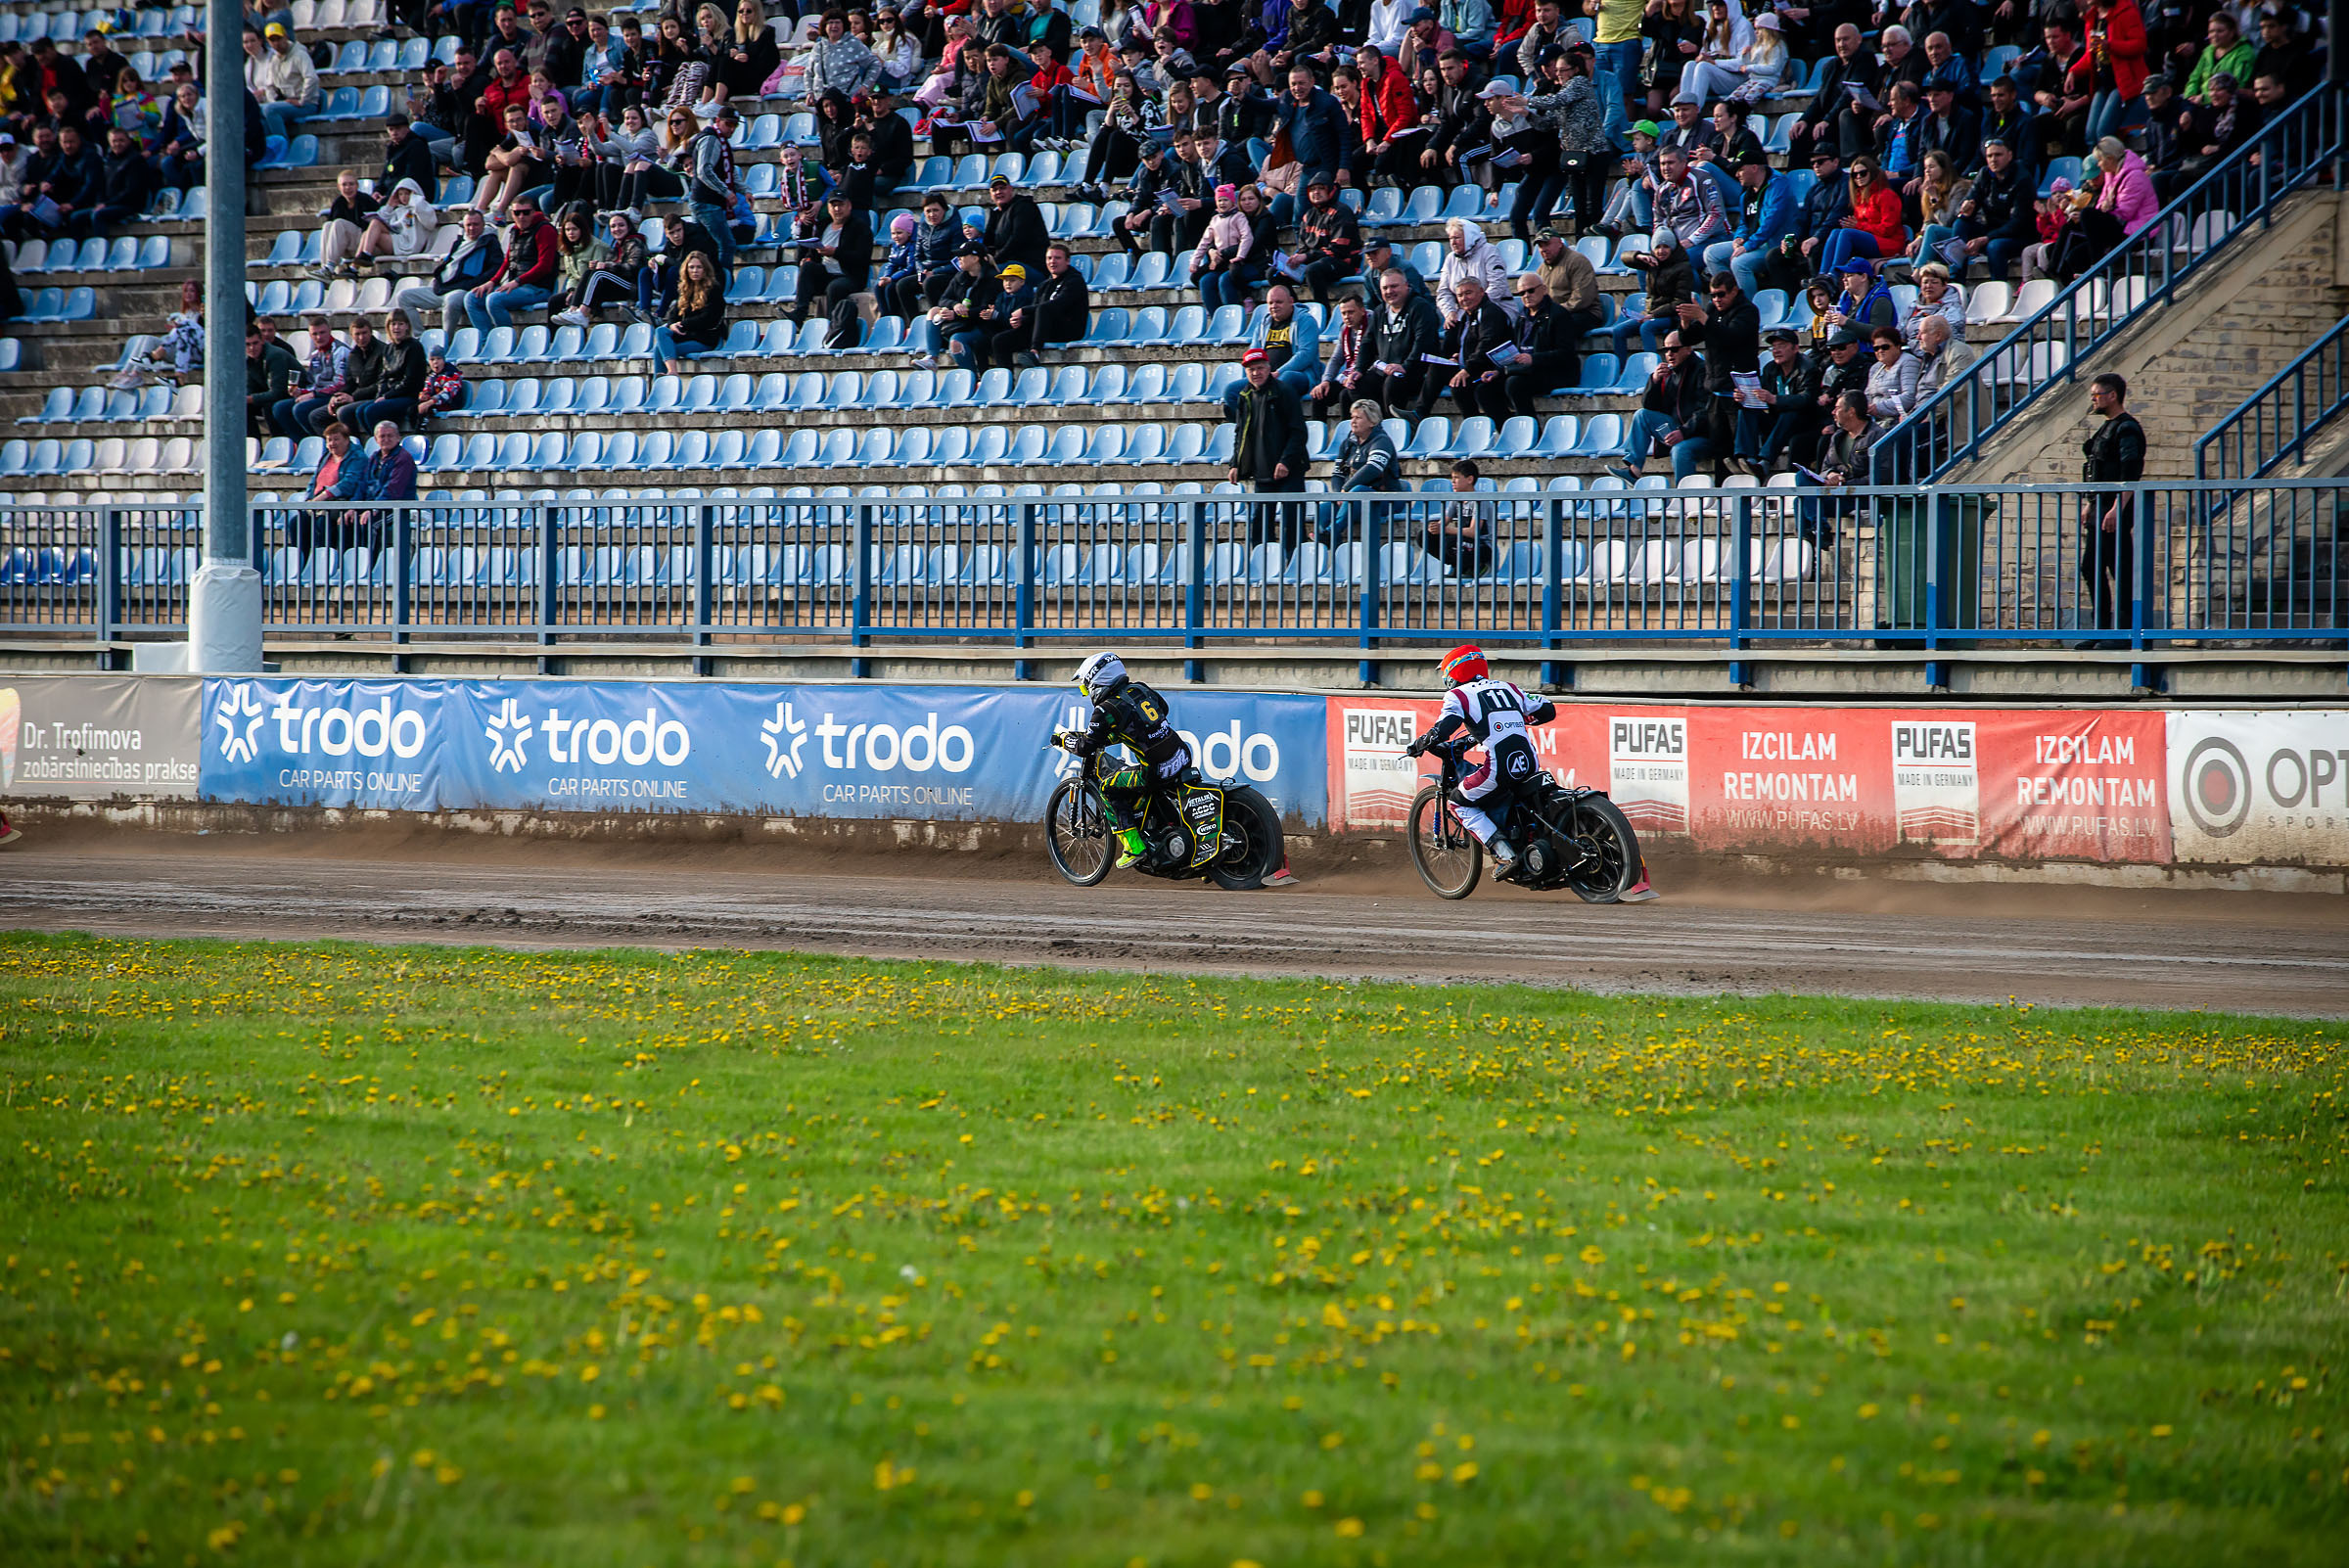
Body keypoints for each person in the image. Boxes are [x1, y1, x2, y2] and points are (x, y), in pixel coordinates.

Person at [1400, 644, 1555, 876]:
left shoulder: (1458, 695)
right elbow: (1548, 710)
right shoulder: (1508, 687)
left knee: (1457, 802)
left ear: (1453, 673)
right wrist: (1516, 719)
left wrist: (1421, 743)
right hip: (1529, 763)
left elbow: (1443, 730)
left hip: (1499, 768)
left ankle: (1504, 854)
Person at [1053, 651, 1194, 871]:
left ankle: (1134, 847)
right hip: (1182, 756)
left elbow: (1085, 747)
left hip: (1155, 771)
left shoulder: (1105, 709)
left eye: (1085, 687)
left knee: (1108, 786)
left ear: (1096, 682)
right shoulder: (1140, 689)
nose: (1086, 692)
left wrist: (1064, 739)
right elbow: (1161, 711)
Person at [2078, 371, 2145, 638]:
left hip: (2114, 510)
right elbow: (2097, 469)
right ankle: (2102, 631)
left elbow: (2130, 471)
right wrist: (2089, 504)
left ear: (2113, 395)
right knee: (2092, 568)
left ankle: (2123, 631)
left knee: (2120, 570)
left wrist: (2117, 507)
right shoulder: (2107, 426)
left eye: (2097, 395)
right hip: (2100, 508)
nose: (2093, 400)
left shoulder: (2126, 427)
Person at [1229, 346, 1310, 543]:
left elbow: (1299, 431)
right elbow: (1240, 432)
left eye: (1260, 368)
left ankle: (1294, 564)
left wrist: (1285, 462)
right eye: (1251, 369)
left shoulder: (1284, 391)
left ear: (1268, 368)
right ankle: (1261, 566)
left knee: (1292, 523)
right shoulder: (1244, 395)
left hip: (1290, 469)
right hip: (1262, 469)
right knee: (1260, 524)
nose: (1256, 373)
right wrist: (1234, 463)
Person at [1614, 328, 1710, 482]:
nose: (1670, 354)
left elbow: (1706, 410)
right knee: (1642, 415)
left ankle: (1684, 498)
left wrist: (1683, 432)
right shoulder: (1670, 373)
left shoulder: (1702, 370)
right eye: (1666, 350)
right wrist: (1655, 381)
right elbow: (1649, 406)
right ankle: (1634, 470)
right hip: (1678, 430)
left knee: (1680, 450)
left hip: (1703, 435)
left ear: (1688, 349)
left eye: (1674, 349)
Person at [398, 208, 502, 333]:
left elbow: (496, 268)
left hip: (462, 290)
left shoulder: (489, 242)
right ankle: (419, 337)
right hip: (442, 289)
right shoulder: (459, 242)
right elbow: (447, 265)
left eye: (476, 224)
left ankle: (445, 342)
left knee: (451, 301)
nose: (471, 228)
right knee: (404, 296)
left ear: (483, 225)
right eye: (468, 225)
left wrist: (472, 284)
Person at [791, 190, 872, 346]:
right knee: (807, 267)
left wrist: (835, 252)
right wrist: (808, 258)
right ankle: (799, 314)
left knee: (835, 288)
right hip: (825, 273)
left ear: (849, 206)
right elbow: (812, 251)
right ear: (828, 208)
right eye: (833, 205)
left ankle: (833, 329)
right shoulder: (823, 225)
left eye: (840, 205)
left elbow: (862, 258)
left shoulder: (860, 227)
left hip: (849, 276)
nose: (837, 209)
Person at [464, 194, 558, 330]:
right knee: (472, 298)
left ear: (533, 212)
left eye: (526, 212)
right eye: (517, 213)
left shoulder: (545, 229)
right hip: (518, 287)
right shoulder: (515, 230)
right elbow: (508, 260)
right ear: (512, 214)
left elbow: (544, 266)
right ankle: (487, 342)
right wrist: (492, 282)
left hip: (538, 289)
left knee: (494, 300)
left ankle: (505, 342)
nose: (521, 216)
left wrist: (517, 282)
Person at [1362, 264, 1442, 419]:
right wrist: (1358, 370)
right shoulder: (1379, 311)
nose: (1389, 291)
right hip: (1387, 369)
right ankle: (1366, 433)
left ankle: (1394, 430)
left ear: (1406, 286)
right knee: (1356, 387)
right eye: (1385, 288)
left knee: (1392, 383)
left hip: (1415, 371)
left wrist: (1405, 366)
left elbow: (1423, 343)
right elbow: (1367, 343)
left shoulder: (1420, 307)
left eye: (1394, 286)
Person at [1737, 327, 1818, 471]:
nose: (1776, 351)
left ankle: (1764, 463)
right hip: (1777, 422)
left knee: (1790, 413)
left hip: (1803, 424)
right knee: (1746, 410)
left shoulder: (1808, 368)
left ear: (1795, 348)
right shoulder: (1770, 369)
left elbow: (1807, 399)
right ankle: (1746, 459)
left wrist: (1775, 399)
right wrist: (1744, 396)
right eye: (1774, 347)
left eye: (1782, 346)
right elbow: (1760, 395)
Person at [350, 312, 429, 431]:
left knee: (370, 411)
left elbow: (410, 381)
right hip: (390, 395)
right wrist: (380, 395)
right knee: (360, 411)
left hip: (408, 395)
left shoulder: (414, 347)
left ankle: (385, 440)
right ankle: (376, 440)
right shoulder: (388, 348)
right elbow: (383, 377)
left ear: (407, 326)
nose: (396, 327)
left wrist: (387, 396)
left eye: (400, 324)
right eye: (393, 324)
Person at [654, 249, 727, 372]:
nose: (695, 271)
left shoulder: (714, 289)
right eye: (691, 267)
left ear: (705, 269)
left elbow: (708, 318)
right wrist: (672, 325)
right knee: (661, 331)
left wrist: (683, 324)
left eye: (699, 267)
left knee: (660, 350)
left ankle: (671, 375)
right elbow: (674, 313)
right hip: (686, 335)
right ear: (686, 270)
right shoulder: (686, 289)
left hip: (704, 338)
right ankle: (664, 381)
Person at [246, 322, 300, 439]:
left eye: (255, 343)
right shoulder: (247, 359)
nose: (252, 348)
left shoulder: (275, 356)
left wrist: (250, 398)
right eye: (247, 344)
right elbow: (251, 387)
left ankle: (278, 442)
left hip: (295, 393)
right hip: (271, 394)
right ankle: (253, 446)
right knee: (242, 407)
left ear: (262, 341)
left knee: (270, 406)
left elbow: (278, 392)